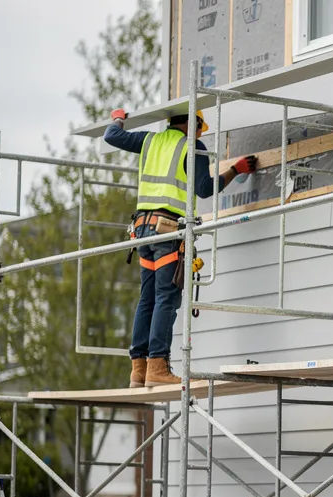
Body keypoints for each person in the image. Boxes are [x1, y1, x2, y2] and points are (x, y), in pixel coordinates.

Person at [104, 107, 259, 387]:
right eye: (200, 129)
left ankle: (138, 370)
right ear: (192, 123)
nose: (200, 135)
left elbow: (112, 135)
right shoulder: (192, 146)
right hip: (166, 230)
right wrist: (235, 170)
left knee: (147, 298)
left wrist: (118, 116)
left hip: (142, 231)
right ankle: (158, 366)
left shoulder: (149, 140)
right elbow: (204, 188)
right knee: (167, 297)